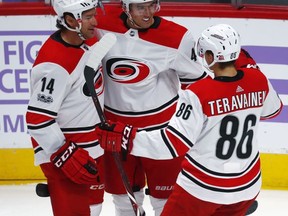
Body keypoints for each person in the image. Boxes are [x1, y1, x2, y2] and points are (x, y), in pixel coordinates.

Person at [96, 24, 283, 215]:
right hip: (247, 186)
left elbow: (171, 143)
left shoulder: (198, 93)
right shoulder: (258, 80)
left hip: (204, 188)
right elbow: (273, 110)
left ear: (210, 56)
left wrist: (127, 138)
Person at [94, 0, 208, 215]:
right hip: (115, 129)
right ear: (126, 8)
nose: (148, 13)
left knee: (165, 202)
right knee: (124, 201)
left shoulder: (177, 37)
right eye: (140, 8)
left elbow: (197, 84)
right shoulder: (102, 22)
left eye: (152, 5)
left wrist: (195, 125)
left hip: (162, 132)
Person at [25, 0, 106, 215]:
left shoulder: (85, 41)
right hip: (66, 155)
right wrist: (63, 154)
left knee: (94, 209)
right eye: (88, 17)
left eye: (94, 15)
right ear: (70, 20)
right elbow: (37, 119)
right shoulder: (54, 64)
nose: (95, 22)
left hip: (90, 148)